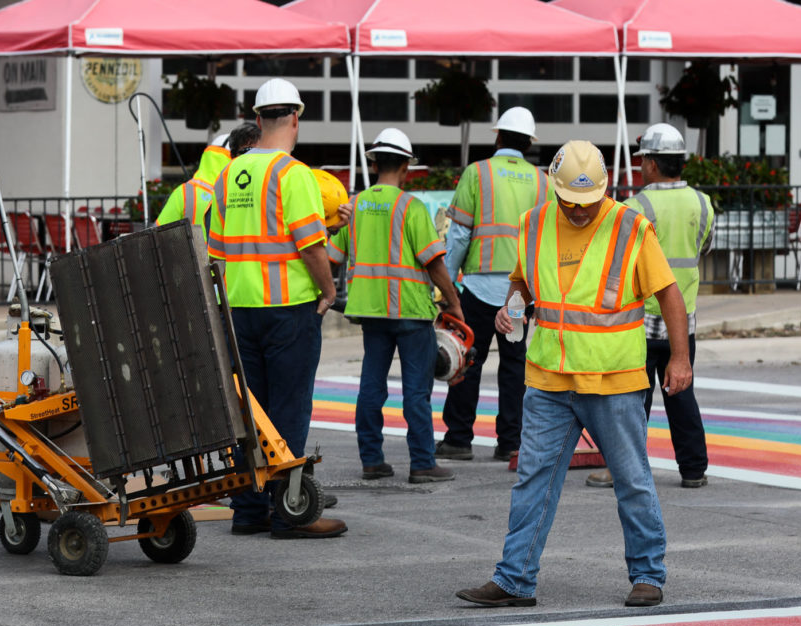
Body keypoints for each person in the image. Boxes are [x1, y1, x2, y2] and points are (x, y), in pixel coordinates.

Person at [456, 140, 692, 609]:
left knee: (631, 479)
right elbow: (522, 282)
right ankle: (514, 578)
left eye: (588, 203)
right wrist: (511, 308)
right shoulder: (535, 224)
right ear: (554, 190)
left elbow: (669, 294)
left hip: (613, 380)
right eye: (570, 203)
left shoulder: (631, 227)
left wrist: (680, 358)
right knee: (532, 480)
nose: (580, 212)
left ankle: (647, 574)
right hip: (549, 377)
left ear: (605, 189)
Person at [206, 78, 348, 540]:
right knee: (288, 410)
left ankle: (248, 510)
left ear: (257, 116)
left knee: (249, 410)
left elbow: (218, 251)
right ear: (295, 117)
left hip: (239, 308)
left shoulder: (228, 174)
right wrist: (328, 293)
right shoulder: (293, 174)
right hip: (288, 308)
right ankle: (290, 510)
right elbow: (312, 247)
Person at [327, 128, 463, 485]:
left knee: (371, 387)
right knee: (416, 391)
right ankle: (422, 463)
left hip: (371, 312)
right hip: (411, 312)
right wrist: (454, 302)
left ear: (374, 164)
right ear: (405, 166)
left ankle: (372, 460)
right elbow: (434, 264)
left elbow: (331, 258)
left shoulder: (353, 207)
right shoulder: (411, 207)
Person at [587, 123, 711, 490]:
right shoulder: (703, 203)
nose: (641, 167)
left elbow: (618, 264)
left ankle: (621, 468)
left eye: (643, 161)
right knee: (682, 397)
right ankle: (693, 470)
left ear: (654, 164)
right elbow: (703, 249)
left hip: (639, 323)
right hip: (681, 322)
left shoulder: (636, 207)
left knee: (629, 403)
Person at [437, 106, 553, 463]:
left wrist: (446, 286)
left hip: (476, 288)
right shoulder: (542, 181)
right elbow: (545, 240)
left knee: (467, 359)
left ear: (499, 136)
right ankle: (510, 442)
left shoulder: (478, 173)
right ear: (529, 143)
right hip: (518, 293)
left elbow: (458, 237)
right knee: (514, 366)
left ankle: (459, 438)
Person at [154, 130, 233, 246]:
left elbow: (158, 235)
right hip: (228, 261)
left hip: (189, 262)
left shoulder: (184, 192)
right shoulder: (238, 192)